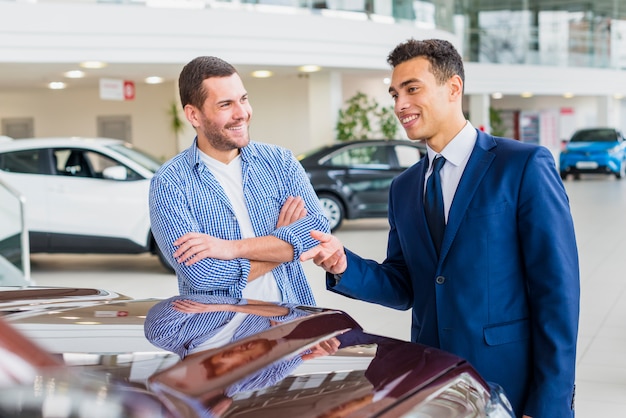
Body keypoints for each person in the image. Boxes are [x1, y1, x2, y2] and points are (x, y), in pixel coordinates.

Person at [301, 38, 579, 418]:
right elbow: (404, 286)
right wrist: (341, 263)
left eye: (412, 89)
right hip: (432, 383)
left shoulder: (522, 166)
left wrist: (548, 404)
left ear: (453, 88)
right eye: (395, 93)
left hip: (508, 385)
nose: (400, 105)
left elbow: (557, 292)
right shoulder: (403, 188)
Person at [149, 56, 329, 305]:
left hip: (292, 327)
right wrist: (282, 245)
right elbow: (201, 275)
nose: (242, 113)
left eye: (243, 99)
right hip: (218, 336)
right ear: (194, 115)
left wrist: (230, 248)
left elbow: (318, 231)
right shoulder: (170, 183)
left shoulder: (280, 162)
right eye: (225, 105)